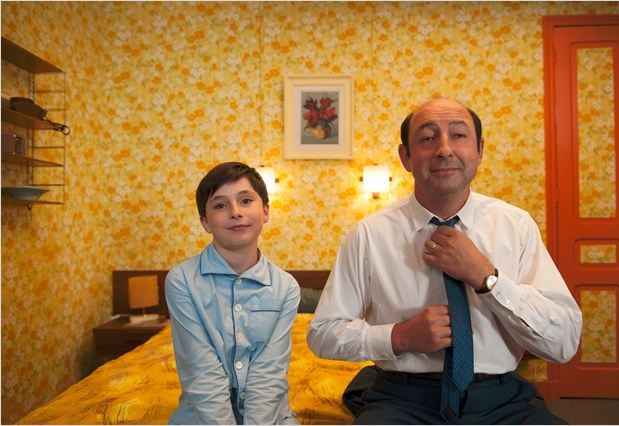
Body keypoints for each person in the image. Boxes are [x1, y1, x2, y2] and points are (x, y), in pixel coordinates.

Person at [307, 98, 582, 424]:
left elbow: (563, 342)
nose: (444, 149)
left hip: (501, 399)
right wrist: (399, 336)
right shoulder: (367, 235)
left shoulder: (516, 226)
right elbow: (323, 334)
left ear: (479, 150)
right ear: (406, 157)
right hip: (401, 399)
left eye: (459, 135)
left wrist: (487, 278)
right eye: (427, 138)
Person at [166, 162, 300, 425]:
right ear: (205, 222)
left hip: (271, 418)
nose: (236, 212)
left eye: (246, 200)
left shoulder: (286, 288)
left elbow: (269, 374)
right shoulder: (182, 281)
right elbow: (202, 373)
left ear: (265, 211)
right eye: (220, 205)